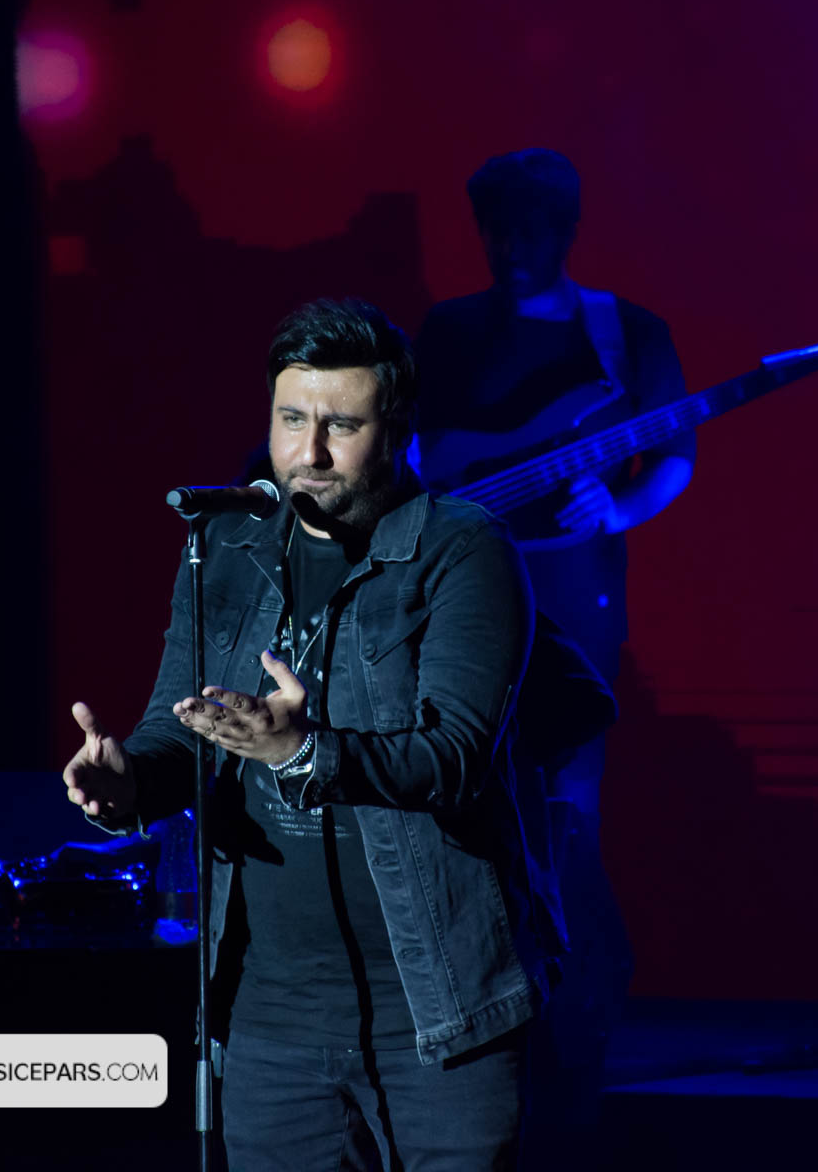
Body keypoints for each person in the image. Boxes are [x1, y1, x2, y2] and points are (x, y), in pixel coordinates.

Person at [62, 298, 553, 1170]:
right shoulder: (226, 546)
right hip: (269, 1020)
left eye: (342, 426)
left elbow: (453, 758)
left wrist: (300, 750)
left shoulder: (462, 549)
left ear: (398, 430)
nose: (309, 453)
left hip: (436, 1012)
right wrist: (128, 784)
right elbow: (183, 731)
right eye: (291, 419)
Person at [412, 148, 697, 1157]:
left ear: (565, 231)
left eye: (528, 230)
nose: (509, 249)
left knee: (569, 804)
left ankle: (570, 1030)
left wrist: (616, 506)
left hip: (573, 599)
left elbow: (674, 457)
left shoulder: (626, 333)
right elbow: (410, 450)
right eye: (495, 230)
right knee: (459, 802)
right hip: (461, 597)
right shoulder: (448, 330)